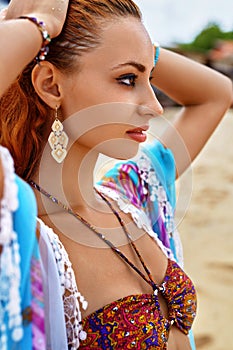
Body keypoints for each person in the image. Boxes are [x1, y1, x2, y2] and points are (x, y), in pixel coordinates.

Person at [0, 0, 232, 349]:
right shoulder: (20, 231)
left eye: (148, 79)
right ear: (51, 85)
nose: (154, 107)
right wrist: (39, 27)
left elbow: (216, 95)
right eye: (127, 79)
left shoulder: (131, 194)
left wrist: (132, 45)